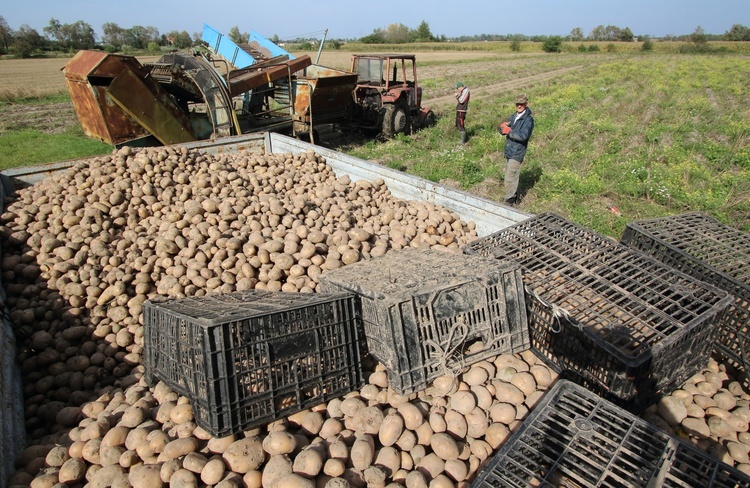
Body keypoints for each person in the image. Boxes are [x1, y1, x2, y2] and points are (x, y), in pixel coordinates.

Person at [499, 93, 534, 206]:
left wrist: (509, 131)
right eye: (517, 104)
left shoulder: (528, 120)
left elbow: (524, 136)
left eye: (522, 104)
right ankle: (512, 196)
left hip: (517, 151)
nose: (519, 106)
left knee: (510, 176)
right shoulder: (514, 116)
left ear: (526, 104)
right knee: (510, 175)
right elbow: (506, 130)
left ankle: (510, 201)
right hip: (509, 150)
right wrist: (502, 128)